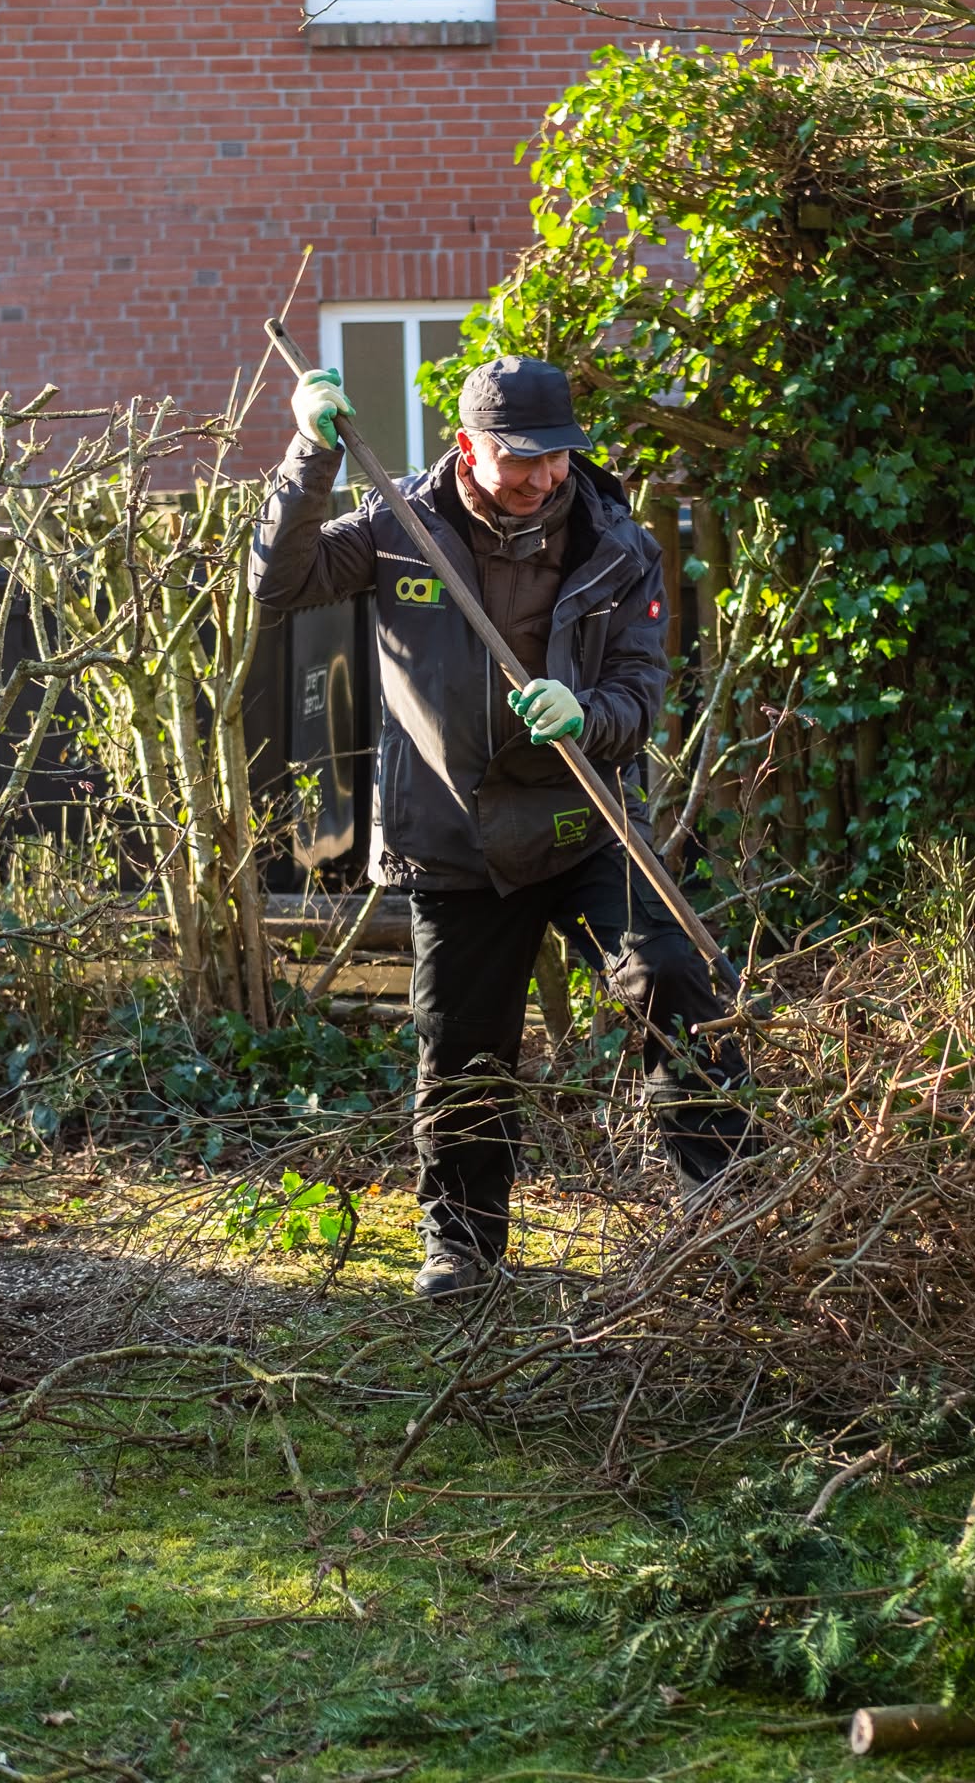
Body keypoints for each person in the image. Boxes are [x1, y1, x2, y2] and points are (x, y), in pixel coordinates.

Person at [249, 354, 753, 1299]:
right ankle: (464, 1251)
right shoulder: (404, 530)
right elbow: (282, 585)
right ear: (468, 446)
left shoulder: (617, 545)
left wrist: (589, 715)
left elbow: (642, 690)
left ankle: (727, 1214)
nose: (543, 477)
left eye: (557, 457)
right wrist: (307, 457)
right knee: (464, 1050)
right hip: (454, 834)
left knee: (679, 976)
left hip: (585, 820)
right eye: (520, 458)